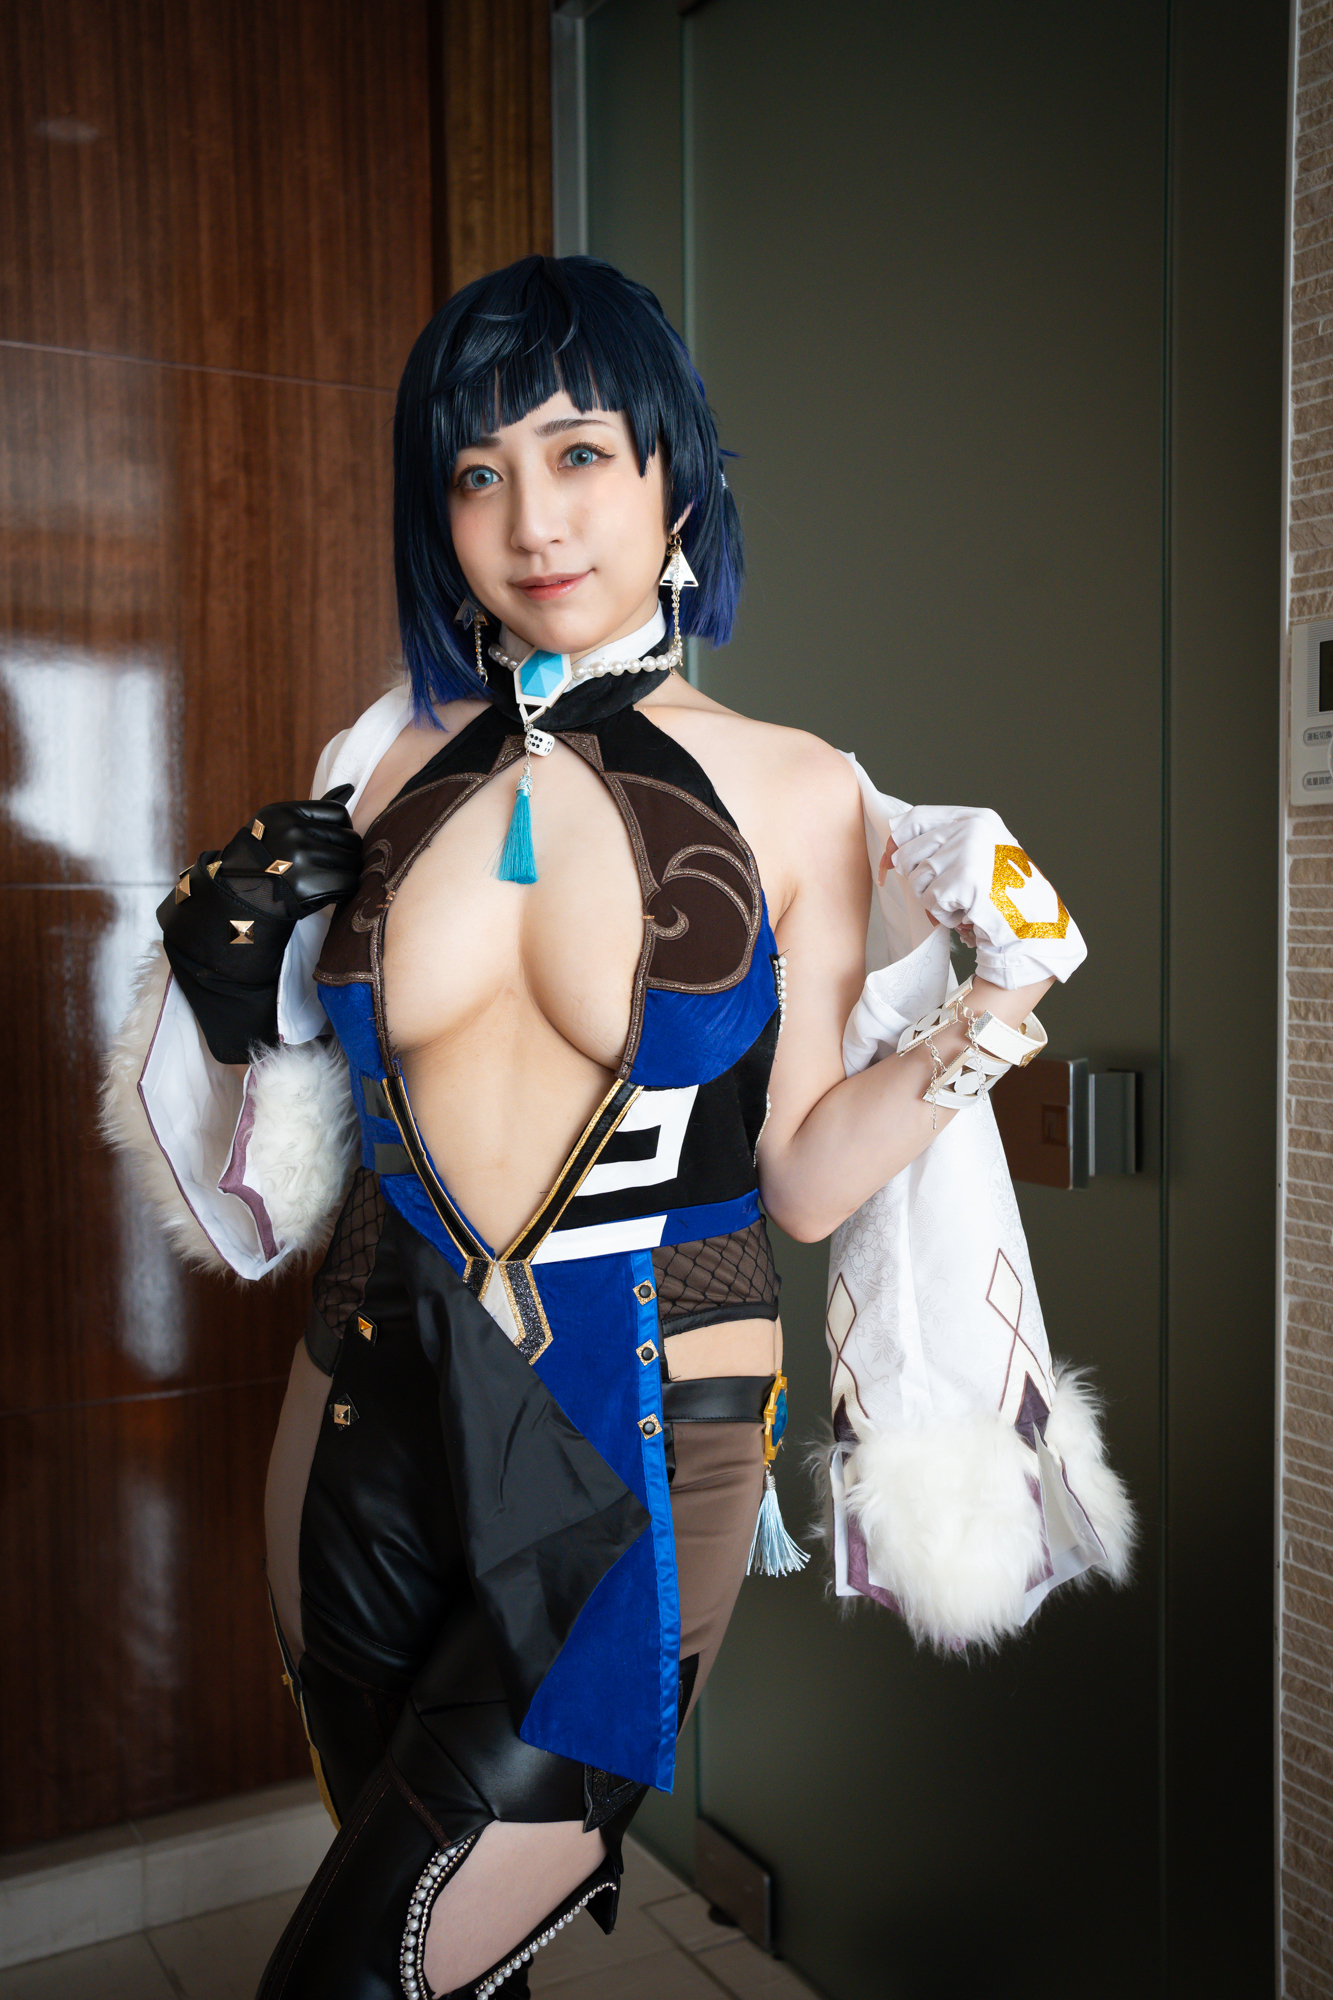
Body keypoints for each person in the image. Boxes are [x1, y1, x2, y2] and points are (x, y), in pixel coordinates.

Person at [102, 255, 1120, 2000]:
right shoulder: (381, 762)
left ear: (677, 481)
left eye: (578, 453)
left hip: (638, 1431)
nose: (532, 519)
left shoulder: (794, 785)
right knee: (449, 1963)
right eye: (477, 471)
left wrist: (981, 1020)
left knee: (355, 1975)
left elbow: (801, 1179)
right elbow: (296, 1131)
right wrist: (216, 979)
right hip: (353, 1415)